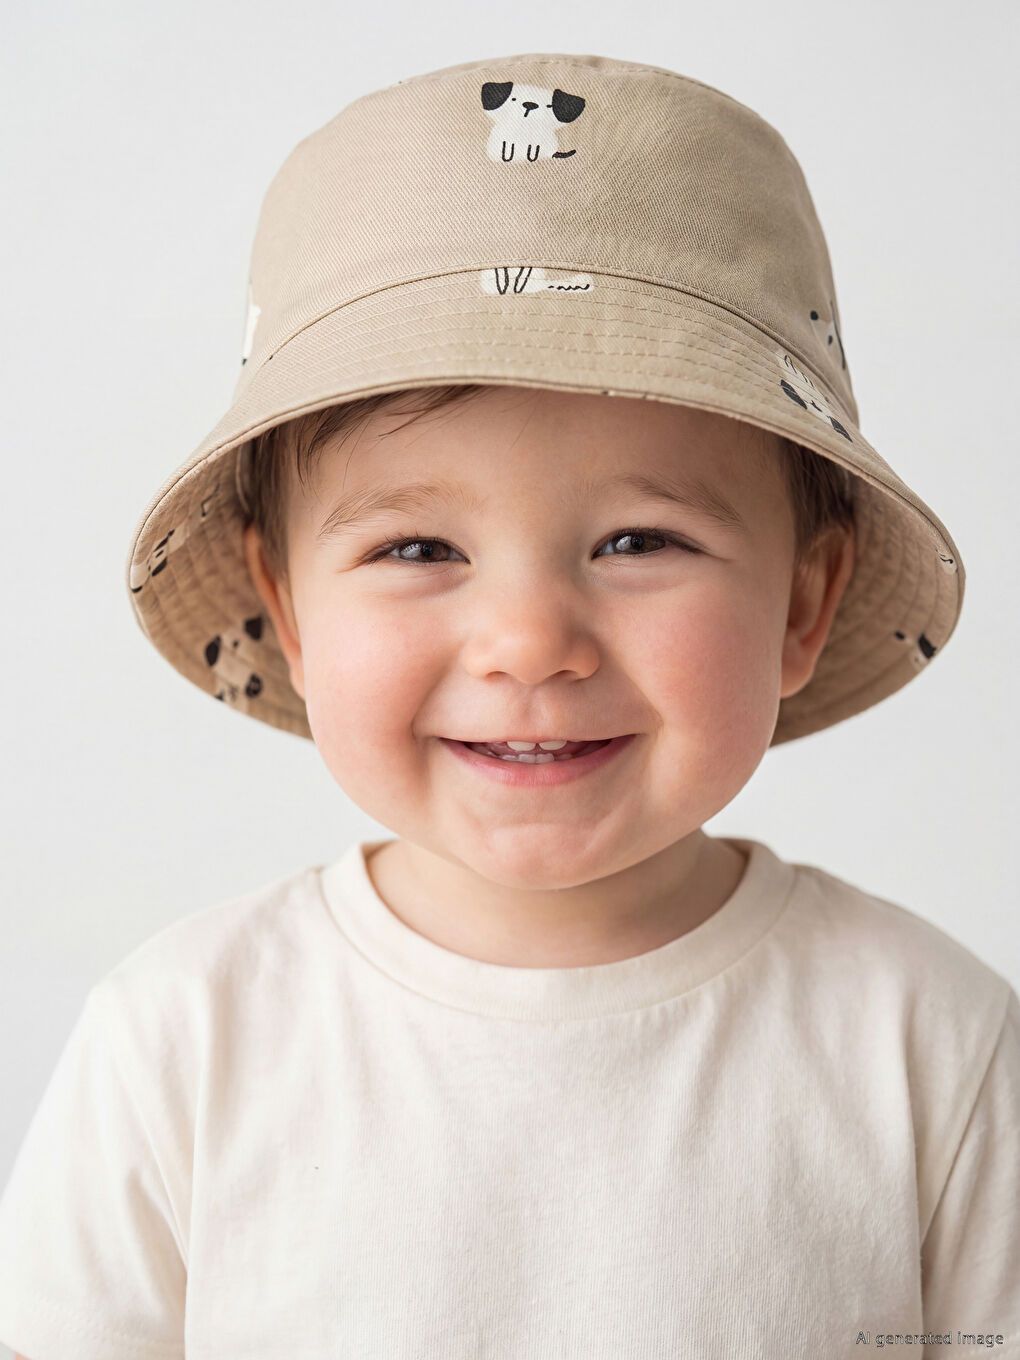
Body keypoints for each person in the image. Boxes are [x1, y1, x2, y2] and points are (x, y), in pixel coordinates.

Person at [1, 50, 1017, 1359]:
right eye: (419, 550)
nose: (530, 643)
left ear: (804, 606)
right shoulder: (185, 1041)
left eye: (640, 540)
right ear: (291, 610)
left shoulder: (928, 1044)